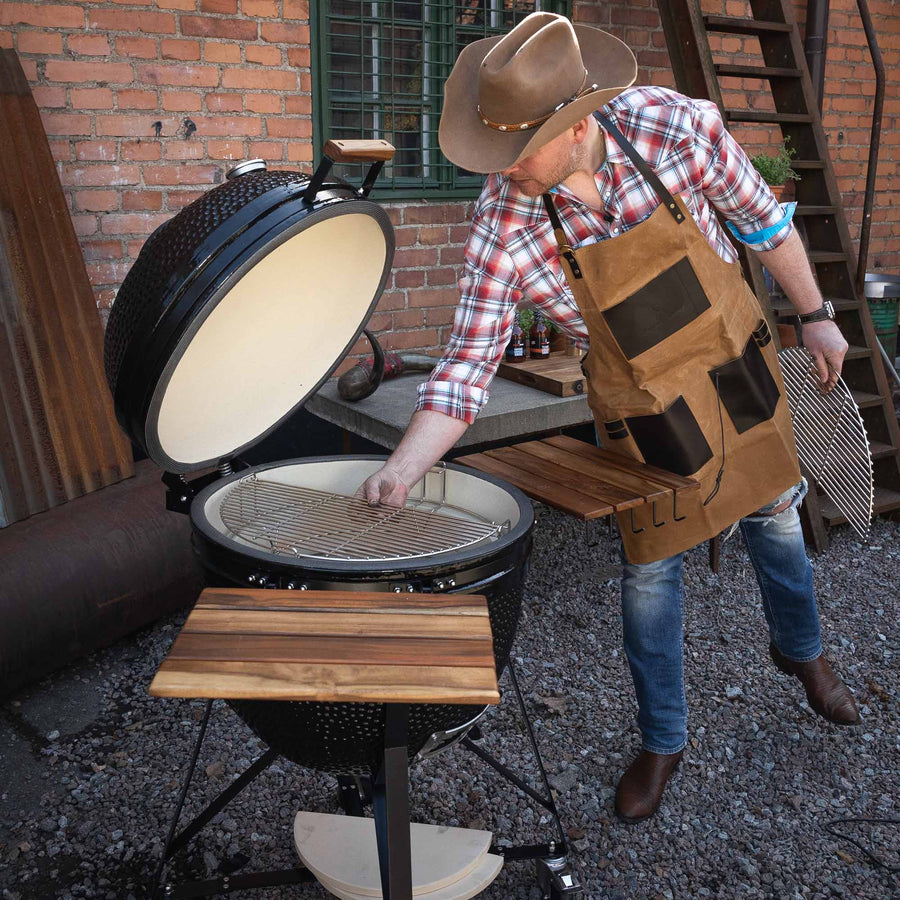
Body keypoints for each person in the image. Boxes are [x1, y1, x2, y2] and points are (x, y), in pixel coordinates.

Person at [359, 12, 859, 823]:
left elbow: (764, 221)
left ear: (580, 123)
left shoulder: (677, 127)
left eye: (519, 151)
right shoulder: (504, 222)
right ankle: (663, 738)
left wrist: (817, 313)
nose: (506, 170)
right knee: (652, 565)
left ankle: (800, 652)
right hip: (642, 400)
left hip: (733, 359)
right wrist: (402, 469)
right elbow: (464, 370)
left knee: (774, 509)